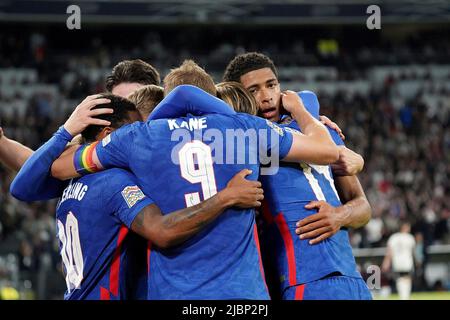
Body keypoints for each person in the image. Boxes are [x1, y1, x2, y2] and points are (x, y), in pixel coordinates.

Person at [50, 60, 340, 299]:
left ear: (167, 96)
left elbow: (59, 168)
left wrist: (71, 133)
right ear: (211, 95)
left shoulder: (137, 136)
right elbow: (327, 151)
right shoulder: (245, 126)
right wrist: (305, 112)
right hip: (243, 294)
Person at [10, 93, 264, 299]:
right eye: (132, 132)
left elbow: (24, 182)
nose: (139, 141)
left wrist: (64, 132)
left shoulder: (70, 182)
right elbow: (162, 231)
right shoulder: (116, 183)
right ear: (109, 135)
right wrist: (226, 197)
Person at [167, 52, 372, 299]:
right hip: (299, 279)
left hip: (352, 277)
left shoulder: (321, 133)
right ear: (240, 96)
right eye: (253, 90)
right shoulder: (243, 143)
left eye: (271, 85)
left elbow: (363, 207)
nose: (266, 98)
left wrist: (340, 215)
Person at [0, 59, 160, 173]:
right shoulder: (96, 147)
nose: (127, 112)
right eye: (120, 102)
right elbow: (36, 166)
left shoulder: (173, 141)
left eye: (134, 102)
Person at [382, 221, 416, 300]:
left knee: (399, 279)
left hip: (397, 263)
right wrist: (417, 261)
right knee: (407, 278)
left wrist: (386, 263)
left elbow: (389, 252)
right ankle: (405, 296)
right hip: (407, 262)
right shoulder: (410, 237)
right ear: (405, 227)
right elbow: (413, 251)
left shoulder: (393, 237)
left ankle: (402, 296)